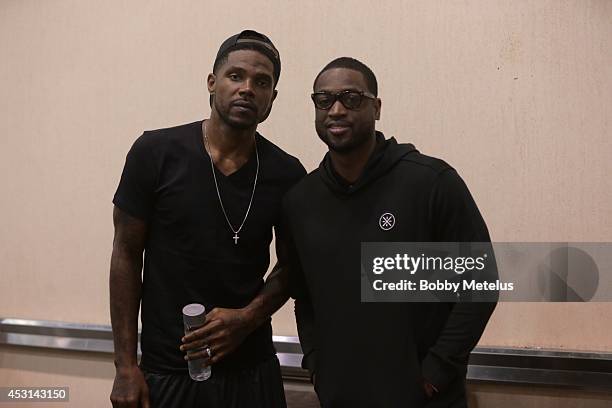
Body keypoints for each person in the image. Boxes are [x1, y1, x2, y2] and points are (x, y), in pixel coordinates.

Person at [282, 57, 497, 407]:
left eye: (351, 98)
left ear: (376, 107)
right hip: (341, 396)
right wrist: (316, 364)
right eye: (323, 99)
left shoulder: (430, 182)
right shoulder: (300, 201)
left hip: (425, 397)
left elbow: (480, 284)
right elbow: (303, 296)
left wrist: (435, 372)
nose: (336, 109)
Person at [109, 30, 305, 408]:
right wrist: (125, 366)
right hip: (168, 371)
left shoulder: (288, 174)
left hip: (253, 372)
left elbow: (293, 265)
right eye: (235, 76)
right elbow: (126, 254)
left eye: (261, 82)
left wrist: (247, 318)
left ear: (272, 99)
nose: (247, 88)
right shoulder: (155, 152)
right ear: (212, 83)